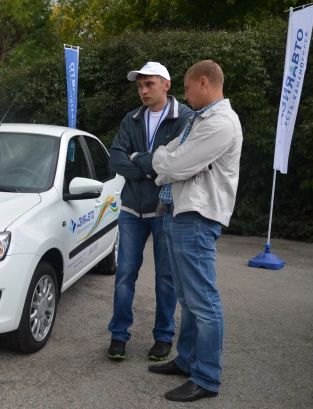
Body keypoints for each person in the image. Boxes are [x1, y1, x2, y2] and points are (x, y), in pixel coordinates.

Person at [149, 60, 243, 402]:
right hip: (181, 213)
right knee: (188, 298)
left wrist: (163, 164)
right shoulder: (203, 121)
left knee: (203, 301)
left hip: (198, 218)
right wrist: (166, 162)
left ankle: (206, 377)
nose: (185, 96)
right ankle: (188, 360)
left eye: (187, 89)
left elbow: (176, 162)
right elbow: (170, 157)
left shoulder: (221, 123)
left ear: (204, 83)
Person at [107, 62, 193, 361]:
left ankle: (164, 337)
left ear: (166, 84)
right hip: (132, 209)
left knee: (166, 278)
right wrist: (152, 168)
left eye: (149, 84)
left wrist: (140, 160)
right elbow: (115, 160)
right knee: (125, 274)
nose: (143, 90)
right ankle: (118, 336)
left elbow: (179, 163)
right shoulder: (131, 118)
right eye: (140, 86)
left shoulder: (185, 118)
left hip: (165, 209)